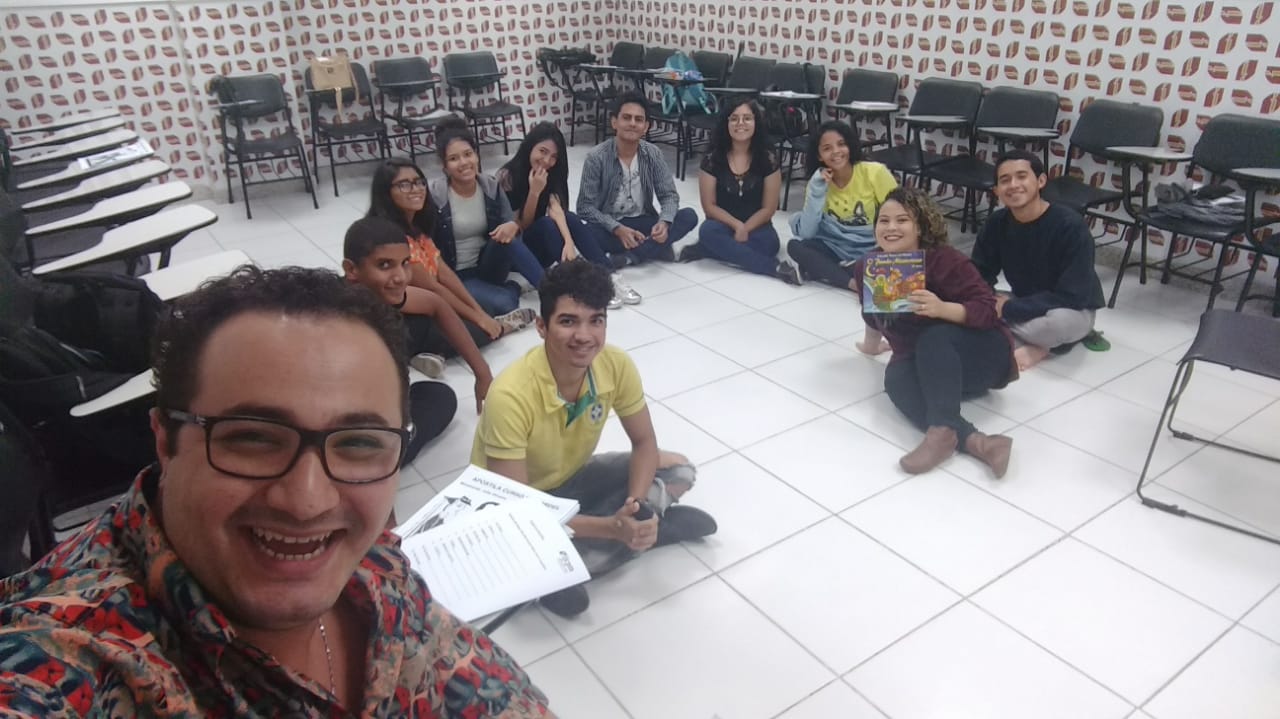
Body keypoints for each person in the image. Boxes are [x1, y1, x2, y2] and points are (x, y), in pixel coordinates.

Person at [0, 266, 549, 715]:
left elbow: (490, 687)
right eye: (253, 439)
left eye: (358, 443)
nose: (308, 501)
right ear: (165, 441)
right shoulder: (62, 660)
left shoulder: (376, 567)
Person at [470, 260, 717, 618]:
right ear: (541, 327)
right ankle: (613, 546)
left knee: (679, 469)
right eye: (568, 321)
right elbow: (517, 510)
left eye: (596, 320)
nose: (584, 335)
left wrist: (636, 507)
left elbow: (644, 443)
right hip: (513, 507)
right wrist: (611, 527)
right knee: (518, 541)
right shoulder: (510, 394)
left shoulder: (615, 364)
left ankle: (635, 535)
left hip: (571, 478)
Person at [853, 188, 1018, 478]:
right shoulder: (868, 267)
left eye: (902, 220)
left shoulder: (945, 260)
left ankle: (942, 430)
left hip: (982, 355)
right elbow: (872, 315)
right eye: (883, 221)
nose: (891, 228)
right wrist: (870, 346)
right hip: (928, 364)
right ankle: (979, 443)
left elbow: (989, 310)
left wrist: (943, 309)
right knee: (895, 379)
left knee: (935, 336)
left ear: (920, 226)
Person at [342, 215, 493, 418]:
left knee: (440, 396)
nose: (401, 277)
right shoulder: (336, 318)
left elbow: (436, 304)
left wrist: (482, 372)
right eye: (384, 265)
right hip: (351, 411)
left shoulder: (381, 293)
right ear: (351, 269)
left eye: (405, 263)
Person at [366, 157, 535, 336]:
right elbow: (433, 287)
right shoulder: (393, 238)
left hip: (440, 295)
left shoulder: (417, 227)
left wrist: (478, 312)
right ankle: (502, 326)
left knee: (484, 310)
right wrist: (479, 318)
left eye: (419, 182)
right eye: (404, 185)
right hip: (406, 316)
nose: (415, 189)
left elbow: (444, 274)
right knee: (478, 323)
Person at [970, 149, 1107, 371]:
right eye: (1005, 180)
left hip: (1069, 309)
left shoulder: (1070, 226)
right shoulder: (997, 223)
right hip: (1023, 300)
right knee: (968, 300)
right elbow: (979, 272)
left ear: (1041, 181)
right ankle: (1036, 343)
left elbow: (1073, 296)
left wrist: (1006, 309)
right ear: (996, 190)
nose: (1013, 185)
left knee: (1057, 325)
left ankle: (1037, 342)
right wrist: (985, 300)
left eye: (1021, 176)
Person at [497, 121, 642, 310]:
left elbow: (558, 211)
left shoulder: (551, 173)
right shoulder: (508, 176)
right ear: (530, 146)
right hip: (519, 252)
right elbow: (518, 228)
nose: (546, 160)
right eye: (542, 151)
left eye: (553, 157)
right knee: (546, 224)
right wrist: (534, 193)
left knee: (570, 218)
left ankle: (610, 276)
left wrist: (568, 242)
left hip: (543, 250)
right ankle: (580, 285)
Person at [428, 117, 545, 316]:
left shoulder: (490, 186)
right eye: (454, 159)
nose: (464, 163)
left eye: (468, 154)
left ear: (477, 156)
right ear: (445, 166)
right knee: (504, 304)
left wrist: (512, 226)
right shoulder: (436, 196)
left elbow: (511, 228)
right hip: (458, 275)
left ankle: (550, 291)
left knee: (509, 237)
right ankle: (513, 287)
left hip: (488, 265)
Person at [680, 96, 802, 284]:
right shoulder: (712, 158)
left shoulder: (768, 158)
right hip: (722, 224)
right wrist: (737, 226)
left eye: (747, 118)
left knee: (770, 244)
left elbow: (769, 208)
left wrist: (746, 228)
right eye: (734, 118)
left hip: (757, 225)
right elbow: (709, 207)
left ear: (756, 123)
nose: (741, 123)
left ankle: (710, 249)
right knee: (708, 231)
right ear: (726, 123)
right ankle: (773, 268)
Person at [576, 92, 699, 269]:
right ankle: (654, 249)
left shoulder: (653, 154)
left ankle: (630, 256)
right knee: (585, 232)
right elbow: (584, 207)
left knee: (688, 216)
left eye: (638, 119)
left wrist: (664, 223)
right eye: (626, 118)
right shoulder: (596, 157)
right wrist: (617, 229)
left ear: (646, 126)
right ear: (614, 122)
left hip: (644, 221)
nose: (632, 123)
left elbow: (669, 196)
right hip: (610, 225)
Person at [787, 120, 898, 288]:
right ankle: (852, 282)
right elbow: (807, 232)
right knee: (795, 246)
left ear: (850, 146)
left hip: (872, 246)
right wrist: (817, 190)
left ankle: (831, 270)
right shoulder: (817, 183)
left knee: (893, 259)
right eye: (827, 148)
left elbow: (899, 213)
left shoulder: (874, 172)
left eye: (841, 144)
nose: (836, 152)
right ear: (819, 156)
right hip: (836, 246)